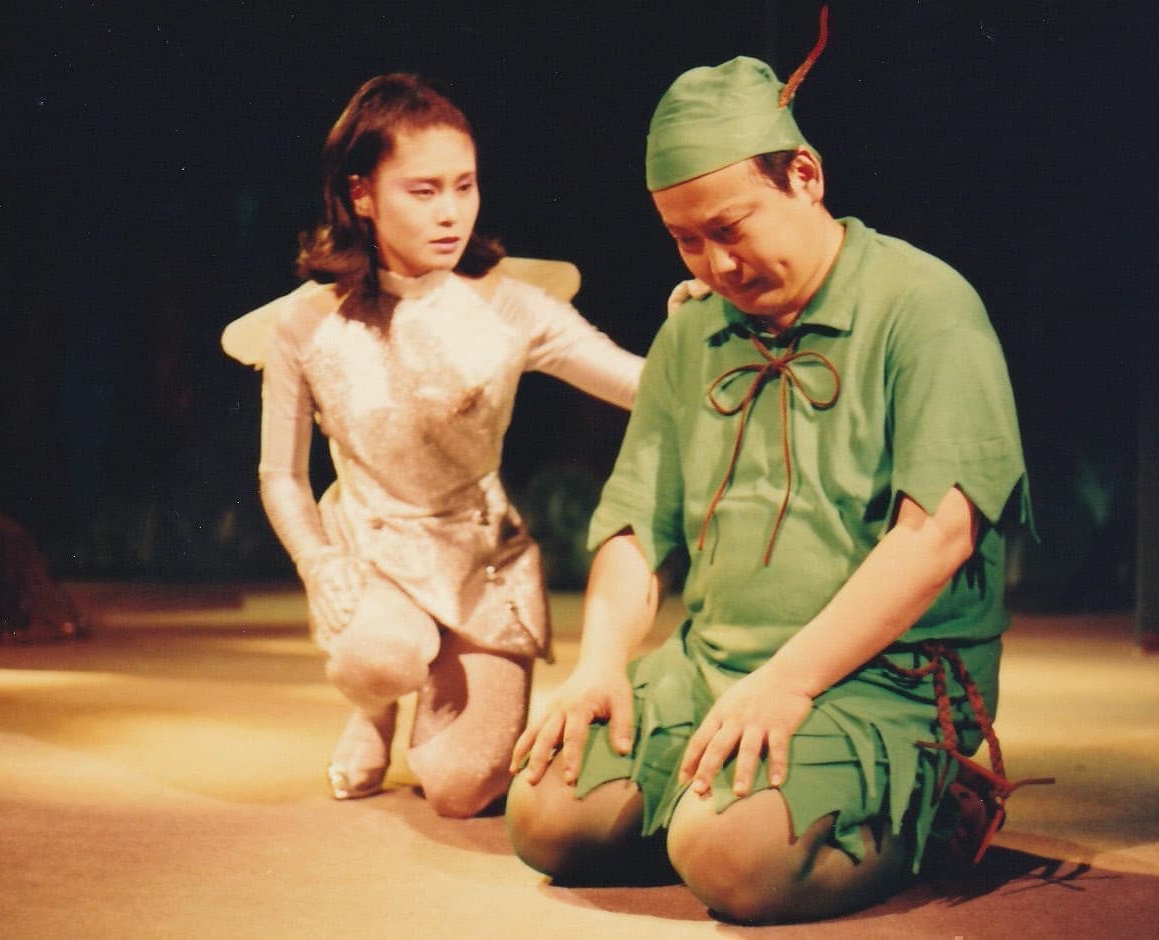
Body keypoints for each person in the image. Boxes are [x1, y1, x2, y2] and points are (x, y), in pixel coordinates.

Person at [505, 48, 1037, 923]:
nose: (714, 265)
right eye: (686, 240)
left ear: (805, 177)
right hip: (714, 665)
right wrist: (600, 662)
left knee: (727, 858)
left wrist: (791, 681)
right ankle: (725, 805)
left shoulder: (925, 307)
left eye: (730, 227)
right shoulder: (691, 333)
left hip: (886, 680)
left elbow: (937, 534)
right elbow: (635, 525)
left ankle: (933, 799)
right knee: (547, 814)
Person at [251, 73, 646, 816]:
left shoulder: (510, 307)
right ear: (362, 194)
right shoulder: (307, 324)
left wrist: (701, 330)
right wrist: (317, 562)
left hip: (479, 563)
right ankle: (374, 707)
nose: (451, 212)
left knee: (464, 790)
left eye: (464, 186)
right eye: (423, 190)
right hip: (373, 555)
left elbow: (642, 385)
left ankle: (437, 687)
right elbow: (281, 476)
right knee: (382, 656)